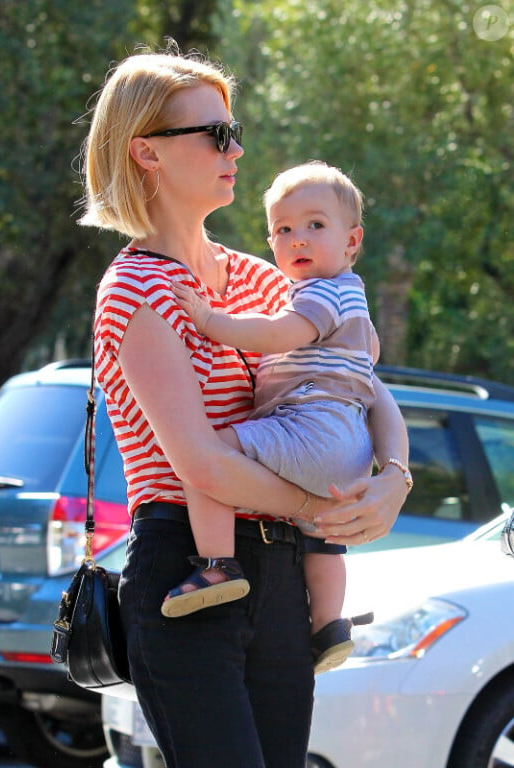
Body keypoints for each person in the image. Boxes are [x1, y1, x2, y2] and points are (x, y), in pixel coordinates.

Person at [79, 43, 411, 768]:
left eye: (236, 130)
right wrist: (325, 507)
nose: (237, 148)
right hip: (184, 573)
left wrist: (393, 479)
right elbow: (203, 465)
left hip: (284, 577)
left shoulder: (269, 281)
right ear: (147, 153)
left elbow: (366, 387)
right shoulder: (135, 289)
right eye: (216, 134)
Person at [167, 160, 387, 673]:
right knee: (322, 538)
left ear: (352, 242)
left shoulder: (320, 294)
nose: (298, 239)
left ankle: (218, 566)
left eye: (315, 225)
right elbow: (370, 356)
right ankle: (329, 623)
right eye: (283, 230)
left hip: (312, 428)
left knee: (205, 457)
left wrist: (210, 320)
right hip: (351, 448)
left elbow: (281, 334)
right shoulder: (354, 300)